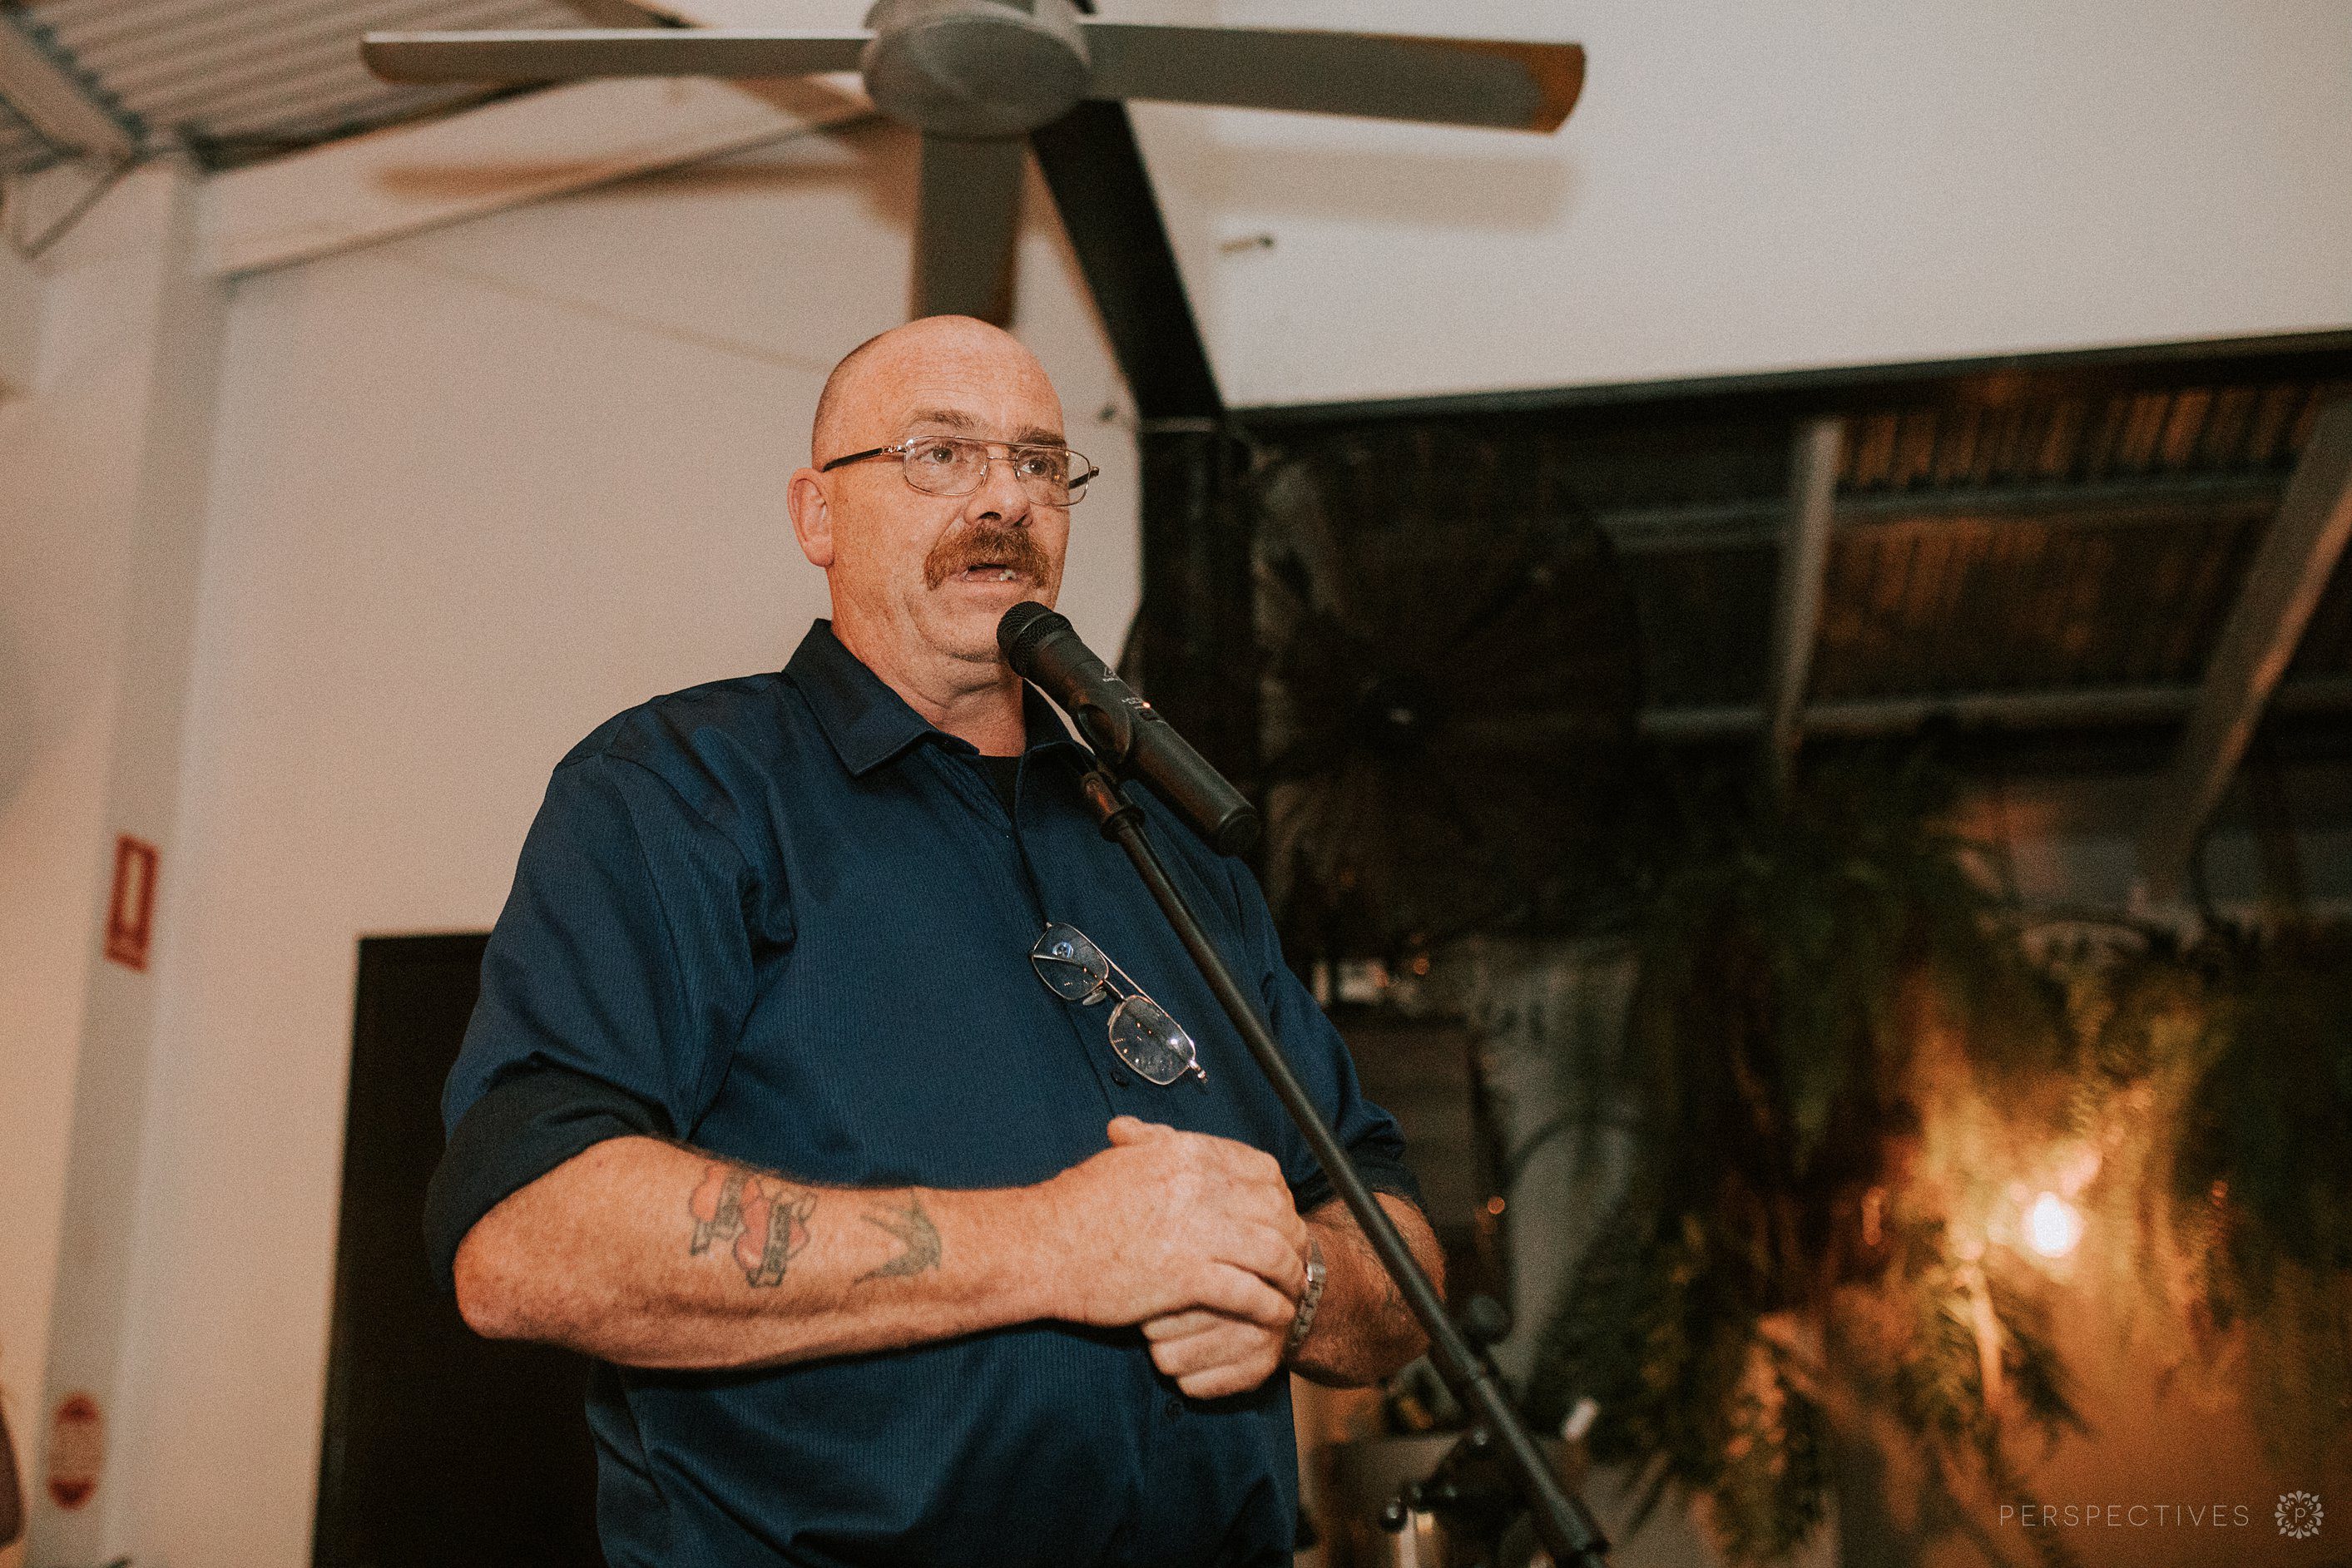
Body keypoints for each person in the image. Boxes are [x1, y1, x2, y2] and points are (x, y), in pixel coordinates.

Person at [428, 314, 1441, 1567]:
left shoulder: (1171, 854)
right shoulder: (682, 789)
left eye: (1038, 463)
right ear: (817, 516)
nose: (1004, 498)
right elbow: (523, 1236)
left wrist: (1291, 1289)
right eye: (939, 456)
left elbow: (1400, 1250)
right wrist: (1054, 1248)